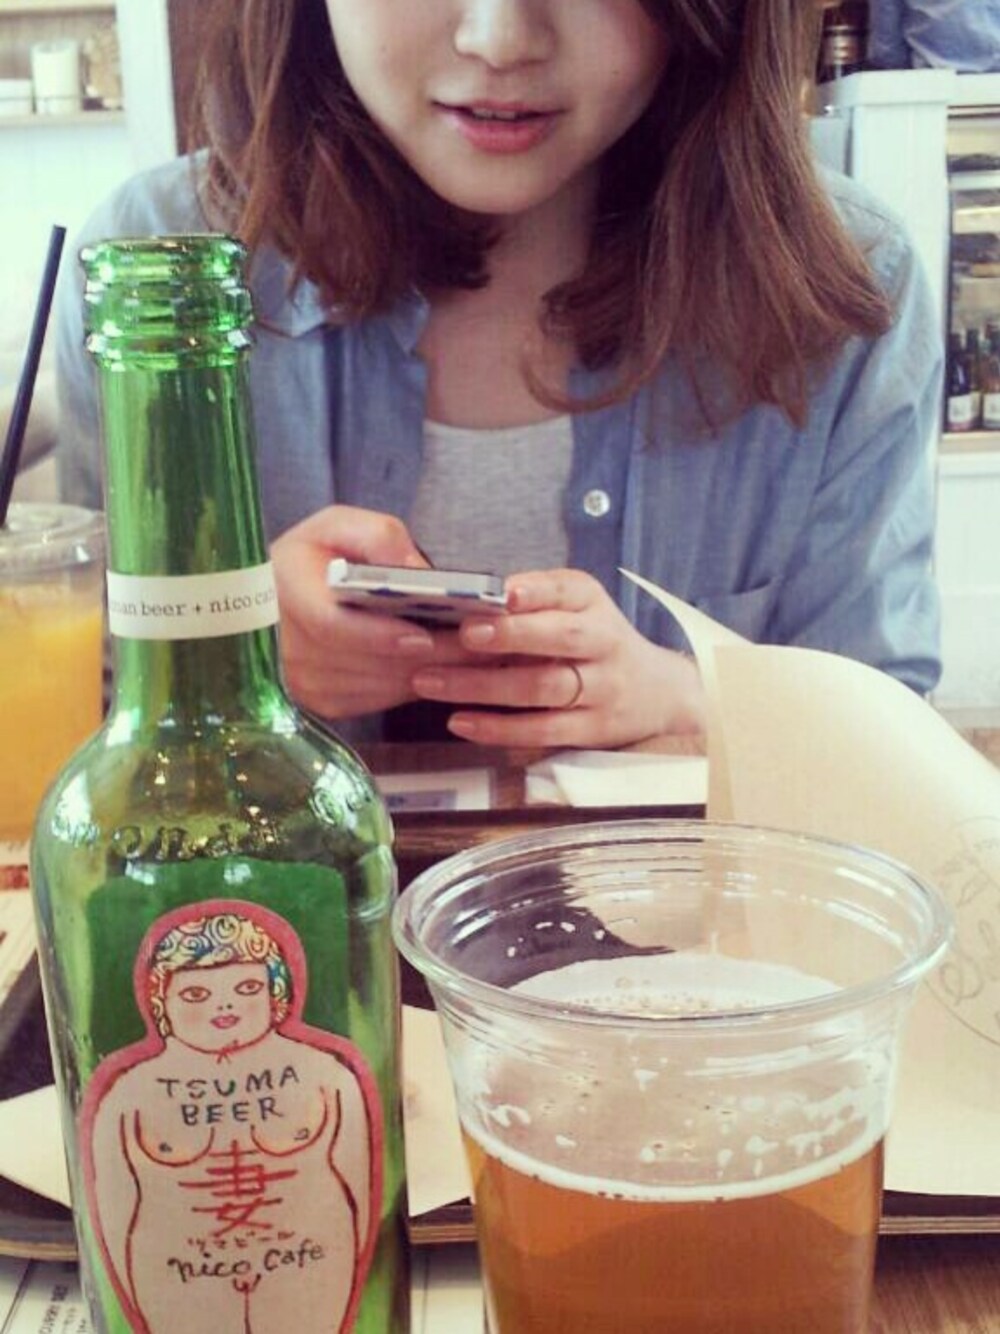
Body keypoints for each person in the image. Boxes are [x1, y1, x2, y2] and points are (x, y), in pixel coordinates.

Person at [56, 0, 942, 751]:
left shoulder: (841, 289)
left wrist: (682, 696)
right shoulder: (156, 273)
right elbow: (77, 709)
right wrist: (221, 653)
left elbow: (886, 741)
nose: (499, 39)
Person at [81, 905, 380, 1334]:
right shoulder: (127, 1096)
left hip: (310, 1267)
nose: (224, 1004)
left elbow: (363, 1198)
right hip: (176, 1277)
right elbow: (112, 1218)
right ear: (161, 1000)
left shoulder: (327, 1076)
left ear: (275, 991)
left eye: (247, 987)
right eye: (195, 994)